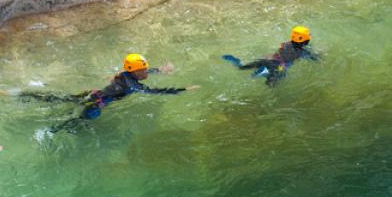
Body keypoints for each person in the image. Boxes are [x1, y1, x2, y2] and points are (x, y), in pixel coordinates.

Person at [47, 54, 198, 133]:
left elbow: (142, 72)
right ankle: (53, 130)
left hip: (94, 94)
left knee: (65, 98)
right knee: (80, 120)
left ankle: (30, 96)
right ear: (137, 71)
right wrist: (183, 89)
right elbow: (155, 91)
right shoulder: (133, 85)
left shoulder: (127, 73)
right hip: (96, 104)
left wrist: (161, 70)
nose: (147, 71)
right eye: (145, 69)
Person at [223, 26, 319, 87]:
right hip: (279, 67)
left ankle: (240, 64)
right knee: (271, 86)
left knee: (242, 67)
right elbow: (315, 58)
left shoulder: (285, 44)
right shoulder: (303, 52)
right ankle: (264, 73)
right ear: (306, 41)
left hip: (267, 60)